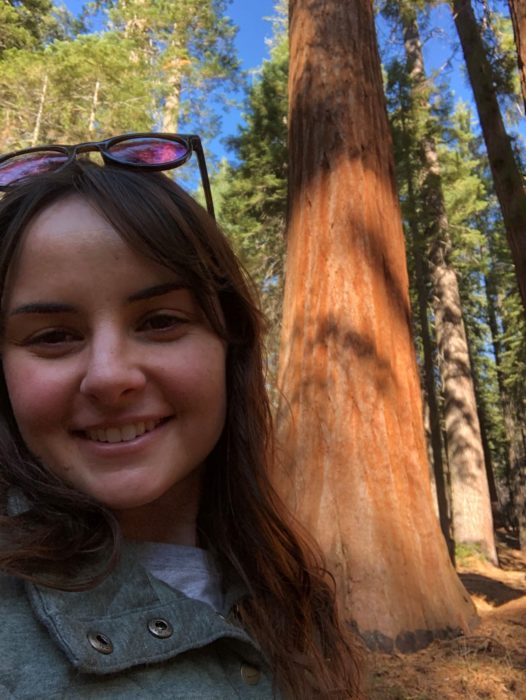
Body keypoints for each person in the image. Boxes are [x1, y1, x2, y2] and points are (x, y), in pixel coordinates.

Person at [0, 134, 362, 699]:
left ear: (230, 344)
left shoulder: (286, 591)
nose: (111, 375)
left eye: (161, 321)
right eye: (53, 336)